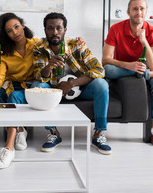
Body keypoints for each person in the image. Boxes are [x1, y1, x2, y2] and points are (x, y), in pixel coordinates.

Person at [102, 0, 153, 146]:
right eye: (135, 9)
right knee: (107, 70)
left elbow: (152, 65)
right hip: (122, 70)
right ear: (128, 12)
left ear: (146, 12)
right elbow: (105, 60)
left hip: (146, 70)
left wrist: (144, 41)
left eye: (142, 9)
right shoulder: (116, 29)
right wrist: (130, 65)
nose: (138, 12)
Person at [33, 12, 112, 155]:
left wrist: (73, 83)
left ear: (65, 30)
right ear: (45, 30)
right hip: (55, 92)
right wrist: (49, 66)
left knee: (102, 84)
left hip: (81, 89)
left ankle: (99, 134)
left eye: (59, 28)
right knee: (37, 86)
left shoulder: (77, 45)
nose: (55, 32)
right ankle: (54, 133)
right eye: (50, 28)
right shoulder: (39, 48)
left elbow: (99, 69)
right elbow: (39, 75)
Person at [0, 13, 37, 169]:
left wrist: (78, 41)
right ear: (5, 35)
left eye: (16, 27)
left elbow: (57, 41)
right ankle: (19, 128)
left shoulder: (35, 44)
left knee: (14, 96)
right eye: (9, 31)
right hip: (12, 88)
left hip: (30, 90)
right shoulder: (5, 54)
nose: (15, 32)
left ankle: (9, 147)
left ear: (23, 26)